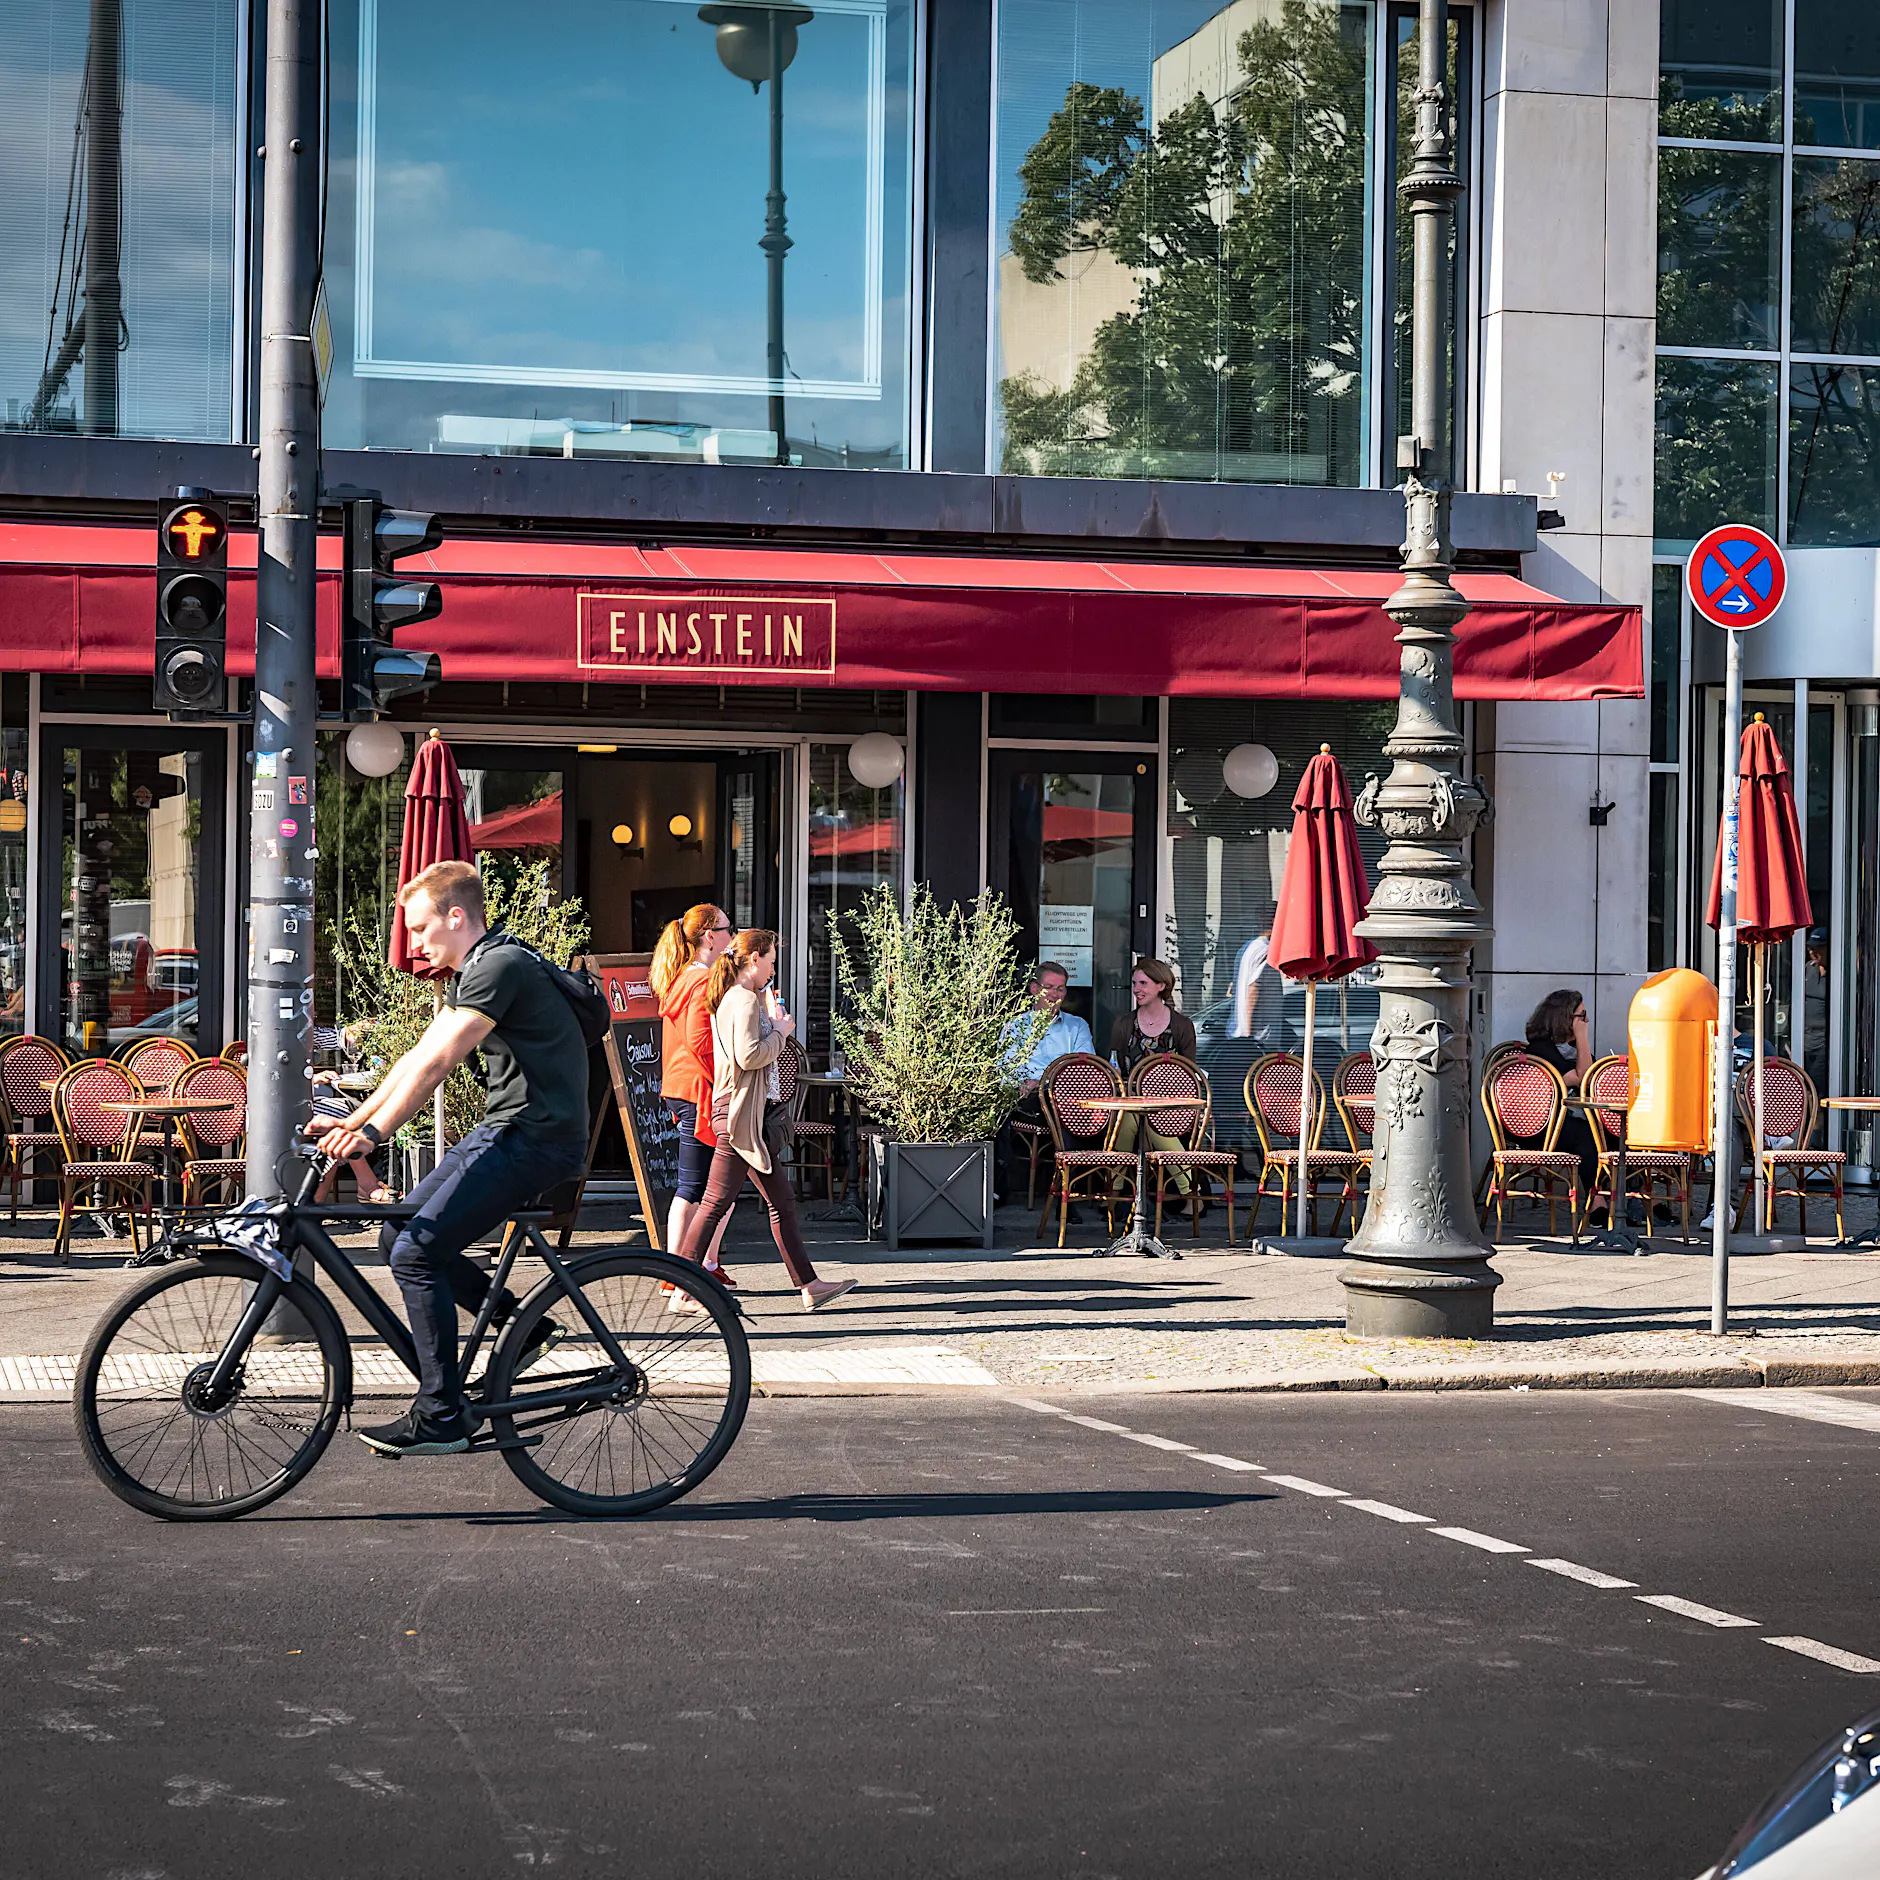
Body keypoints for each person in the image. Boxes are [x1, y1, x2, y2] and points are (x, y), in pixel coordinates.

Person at [314, 859, 589, 1458]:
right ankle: (527, 1329)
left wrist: (375, 1135)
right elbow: (417, 1057)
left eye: (418, 928)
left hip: (537, 1137)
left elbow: (440, 1065)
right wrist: (353, 1122)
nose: (412, 943)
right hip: (509, 1130)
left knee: (416, 1250)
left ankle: (441, 1415)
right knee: (396, 1237)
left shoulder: (499, 966)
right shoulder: (475, 971)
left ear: (455, 916)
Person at [675, 929, 855, 1311]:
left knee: (781, 1203)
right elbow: (749, 1056)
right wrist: (781, 1032)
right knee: (714, 1204)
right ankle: (681, 1288)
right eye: (771, 960)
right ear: (754, 958)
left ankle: (810, 1285)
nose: (773, 968)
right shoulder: (742, 999)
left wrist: (770, 1024)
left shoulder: (739, 997)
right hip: (741, 1116)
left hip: (744, 1113)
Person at [651, 903, 734, 1281]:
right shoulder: (700, 981)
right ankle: (681, 1272)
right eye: (728, 929)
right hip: (699, 1089)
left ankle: (702, 1265)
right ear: (709, 936)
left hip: (684, 1086)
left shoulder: (686, 977)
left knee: (709, 1187)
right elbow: (702, 1041)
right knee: (698, 1188)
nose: (733, 936)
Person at [998, 961, 1096, 1202]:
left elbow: (1085, 1069)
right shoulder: (1016, 1026)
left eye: (1061, 989)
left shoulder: (1077, 1026)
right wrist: (1025, 1082)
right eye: (1049, 987)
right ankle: (1002, 1190)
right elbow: (1005, 1070)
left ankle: (1068, 1191)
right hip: (1027, 1101)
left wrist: (1042, 1081)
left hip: (1064, 1099)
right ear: (1034, 989)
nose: (1055, 994)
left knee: (1074, 1109)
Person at [1109, 958, 1200, 1192]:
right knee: (1130, 1120)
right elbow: (1115, 1068)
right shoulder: (1124, 1024)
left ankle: (1116, 1191)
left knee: (1150, 1119)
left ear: (1161, 985)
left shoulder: (1181, 1025)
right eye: (1134, 983)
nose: (1137, 989)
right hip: (1131, 1102)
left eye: (1143, 983)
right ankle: (1189, 1189)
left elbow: (1189, 1071)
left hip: (1171, 1105)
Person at [1521, 988, 1599, 1195]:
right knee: (1589, 1138)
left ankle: (1635, 1200)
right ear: (1565, 1017)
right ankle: (1597, 1203)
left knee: (1615, 1133)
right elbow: (1582, 1077)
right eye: (1581, 1016)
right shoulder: (1541, 1050)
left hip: (1567, 1120)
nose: (1586, 1020)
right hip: (1541, 1126)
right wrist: (1582, 1036)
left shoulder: (1570, 1049)